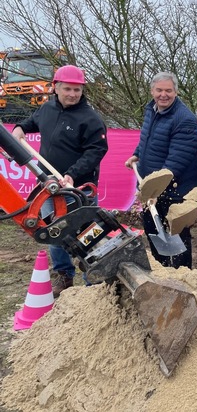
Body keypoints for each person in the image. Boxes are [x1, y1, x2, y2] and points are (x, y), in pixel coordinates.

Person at [12, 64, 108, 297]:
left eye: (77, 90)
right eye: (68, 89)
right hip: (49, 186)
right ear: (55, 87)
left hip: (76, 188)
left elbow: (96, 150)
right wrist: (18, 128)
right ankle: (64, 275)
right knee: (54, 231)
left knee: (85, 233)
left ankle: (91, 279)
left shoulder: (90, 119)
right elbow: (31, 123)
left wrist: (73, 173)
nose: (73, 94)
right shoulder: (47, 109)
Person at [125, 71, 197, 269]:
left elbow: (177, 162)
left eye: (168, 90)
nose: (163, 95)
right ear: (152, 91)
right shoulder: (152, 109)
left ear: (175, 92)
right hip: (154, 189)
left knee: (176, 238)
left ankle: (183, 276)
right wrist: (137, 154)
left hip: (175, 191)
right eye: (159, 90)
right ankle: (161, 273)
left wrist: (156, 190)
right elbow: (148, 138)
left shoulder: (185, 120)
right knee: (154, 232)